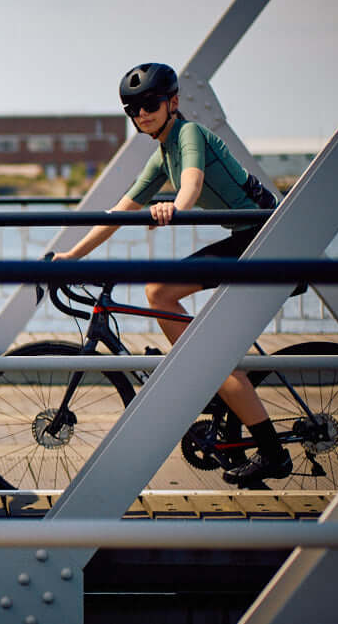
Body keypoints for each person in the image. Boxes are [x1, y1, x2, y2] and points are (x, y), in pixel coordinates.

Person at [53, 63, 292, 486]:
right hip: (252, 239)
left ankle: (269, 449)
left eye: (150, 104)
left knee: (163, 295)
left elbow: (193, 185)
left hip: (267, 239)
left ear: (173, 103)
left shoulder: (188, 135)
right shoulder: (163, 152)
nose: (142, 114)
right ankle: (201, 369)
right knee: (166, 297)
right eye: (133, 109)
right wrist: (72, 254)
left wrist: (172, 208)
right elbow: (119, 213)